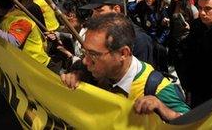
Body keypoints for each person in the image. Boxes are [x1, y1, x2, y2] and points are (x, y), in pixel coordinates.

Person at [60, 13, 189, 121]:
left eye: (94, 55)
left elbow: (195, 124)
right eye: (85, 52)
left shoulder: (157, 89)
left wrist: (164, 110)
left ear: (123, 53)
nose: (85, 62)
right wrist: (75, 79)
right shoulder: (88, 72)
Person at [80, 0, 154, 65]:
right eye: (93, 12)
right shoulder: (101, 34)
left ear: (116, 9)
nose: (94, 16)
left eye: (99, 11)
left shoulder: (139, 39)